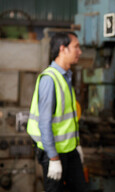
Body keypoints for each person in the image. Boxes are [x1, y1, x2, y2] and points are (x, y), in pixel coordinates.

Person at [27, 32, 88, 192]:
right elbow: (44, 123)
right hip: (53, 153)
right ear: (63, 49)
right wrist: (53, 158)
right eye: (76, 47)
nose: (79, 52)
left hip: (69, 150)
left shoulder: (66, 77)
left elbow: (69, 121)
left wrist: (77, 145)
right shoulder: (50, 79)